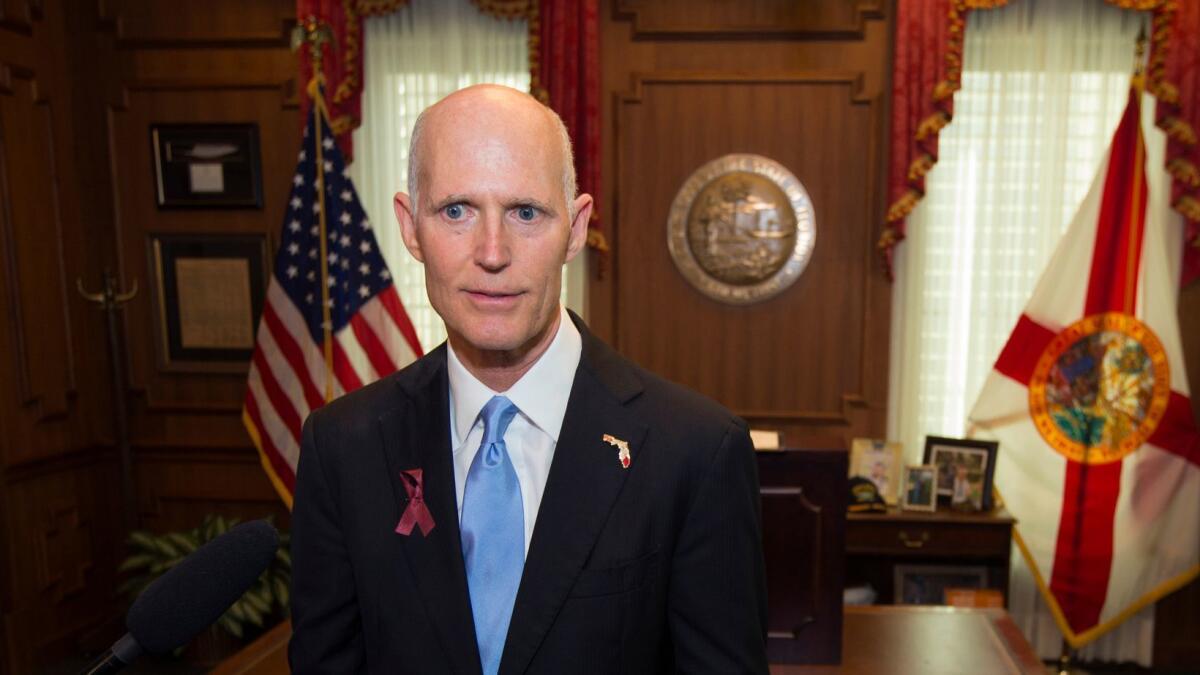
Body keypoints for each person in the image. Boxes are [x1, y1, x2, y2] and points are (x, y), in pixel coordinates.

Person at [289, 84, 769, 674]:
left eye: (526, 212)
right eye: (456, 211)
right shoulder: (343, 446)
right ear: (411, 228)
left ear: (574, 228)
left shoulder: (696, 450)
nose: (493, 252)